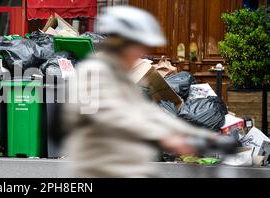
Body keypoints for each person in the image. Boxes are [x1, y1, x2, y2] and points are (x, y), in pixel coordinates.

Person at [63, 6, 214, 178]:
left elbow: (146, 112)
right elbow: (109, 116)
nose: (141, 53)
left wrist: (198, 135)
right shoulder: (92, 73)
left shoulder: (121, 75)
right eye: (137, 46)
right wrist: (164, 137)